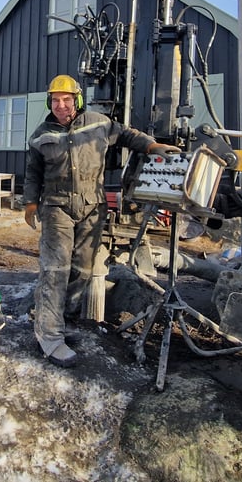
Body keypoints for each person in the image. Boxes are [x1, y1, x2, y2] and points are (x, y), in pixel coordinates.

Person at [23, 75, 180, 368]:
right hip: (57, 207)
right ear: (49, 102)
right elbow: (33, 172)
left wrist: (151, 147)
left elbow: (128, 135)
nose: (61, 105)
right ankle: (50, 337)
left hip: (92, 206)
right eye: (55, 100)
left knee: (82, 269)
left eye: (66, 100)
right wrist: (30, 202)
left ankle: (67, 320)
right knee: (55, 269)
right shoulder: (40, 134)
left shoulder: (99, 123)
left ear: (77, 100)